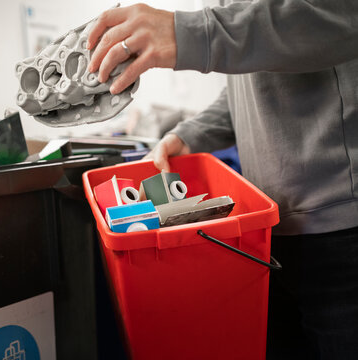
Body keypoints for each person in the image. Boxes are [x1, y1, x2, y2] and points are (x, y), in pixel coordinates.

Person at [87, 1, 358, 359]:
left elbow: (339, 17)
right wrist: (188, 135)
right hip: (267, 233)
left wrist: (194, 32)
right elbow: (248, 88)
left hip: (341, 232)